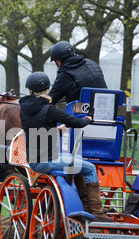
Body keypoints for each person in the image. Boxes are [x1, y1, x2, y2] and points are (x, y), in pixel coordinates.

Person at [20, 71, 112, 222]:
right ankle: (97, 211)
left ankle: (85, 205)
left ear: (30, 91)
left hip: (35, 160)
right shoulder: (50, 109)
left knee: (78, 159)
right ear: (47, 90)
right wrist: (88, 119)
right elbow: (77, 122)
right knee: (90, 168)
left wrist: (56, 129)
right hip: (47, 160)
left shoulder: (24, 109)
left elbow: (36, 128)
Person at [48, 41, 108, 105]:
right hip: (108, 107)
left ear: (58, 61)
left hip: (83, 112)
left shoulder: (65, 75)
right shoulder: (91, 63)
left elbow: (50, 100)